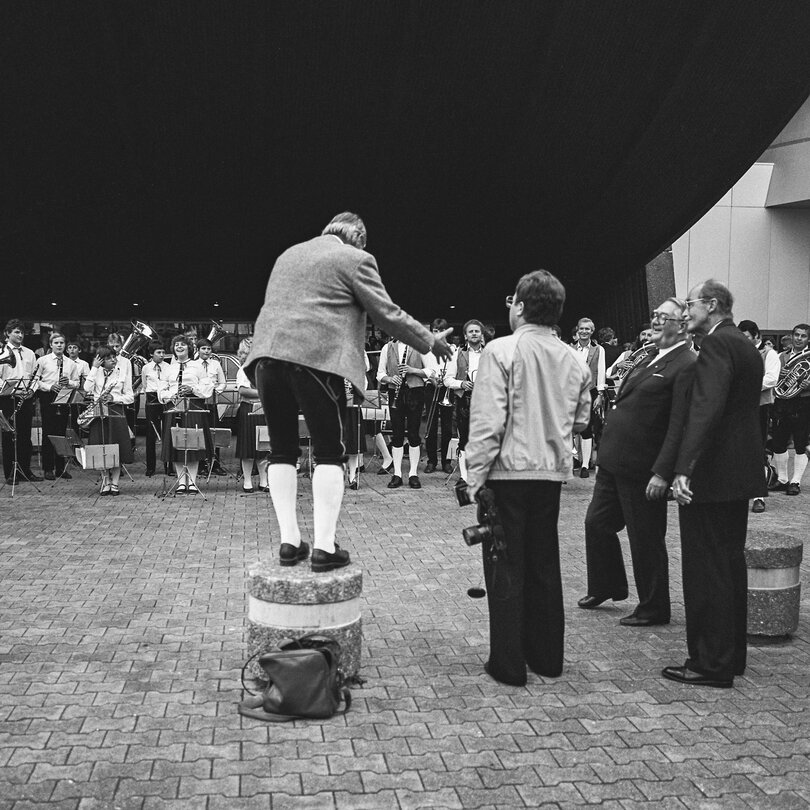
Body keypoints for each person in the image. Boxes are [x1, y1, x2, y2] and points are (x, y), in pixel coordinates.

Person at [244, 212, 453, 572]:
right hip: (317, 358)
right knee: (330, 451)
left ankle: (289, 542)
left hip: (265, 359)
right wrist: (429, 341)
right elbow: (386, 313)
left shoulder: (289, 254)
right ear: (357, 236)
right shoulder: (355, 258)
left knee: (282, 449)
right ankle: (324, 546)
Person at [465, 270, 591, 686]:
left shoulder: (501, 350)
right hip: (550, 473)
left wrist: (475, 476)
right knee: (543, 563)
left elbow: (487, 423)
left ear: (520, 306)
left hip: (506, 472)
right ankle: (547, 657)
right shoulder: (574, 358)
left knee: (505, 565)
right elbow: (582, 420)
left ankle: (508, 663)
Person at [666, 279, 763, 689]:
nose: (685, 312)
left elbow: (706, 409)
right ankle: (731, 655)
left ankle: (709, 663)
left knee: (706, 568)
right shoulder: (743, 343)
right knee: (728, 565)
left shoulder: (718, 345)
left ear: (711, 304)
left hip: (712, 473)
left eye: (690, 304)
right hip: (737, 473)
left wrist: (685, 467)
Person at [578, 298, 696, 627]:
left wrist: (664, 472)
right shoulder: (647, 355)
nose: (656, 322)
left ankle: (654, 607)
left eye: (665, 318)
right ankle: (606, 585)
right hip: (614, 462)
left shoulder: (686, 363)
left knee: (645, 538)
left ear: (682, 326)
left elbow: (679, 424)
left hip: (643, 468)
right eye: (655, 317)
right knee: (596, 524)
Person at [158, 335, 214, 494]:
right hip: (174, 407)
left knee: (192, 444)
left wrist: (192, 390)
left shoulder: (197, 367)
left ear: (189, 347)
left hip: (193, 407)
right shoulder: (169, 368)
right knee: (177, 445)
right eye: (176, 345)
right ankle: (182, 482)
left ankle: (193, 482)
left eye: (183, 344)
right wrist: (172, 394)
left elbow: (207, 389)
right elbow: (161, 391)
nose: (179, 347)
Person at [377, 336, 432, 489]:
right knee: (397, 434)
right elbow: (380, 373)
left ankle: (413, 473)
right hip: (396, 392)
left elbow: (431, 371)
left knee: (414, 433)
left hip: (416, 392)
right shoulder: (387, 347)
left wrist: (412, 370)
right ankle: (397, 474)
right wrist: (389, 379)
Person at [738, 320, 781, 512]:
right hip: (739, 408)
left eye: (747, 337)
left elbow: (771, 378)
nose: (743, 340)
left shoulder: (769, 353)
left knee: (758, 451)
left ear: (757, 336)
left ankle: (758, 497)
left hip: (760, 407)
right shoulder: (738, 353)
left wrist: (745, 385)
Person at [83, 347, 135, 495]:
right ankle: (105, 481)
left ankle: (115, 483)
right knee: (101, 448)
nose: (114, 360)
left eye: (114, 357)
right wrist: (94, 368)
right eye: (109, 358)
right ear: (101, 360)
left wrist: (115, 398)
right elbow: (87, 388)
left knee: (116, 447)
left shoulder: (121, 373)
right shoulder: (96, 372)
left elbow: (130, 397)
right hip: (98, 413)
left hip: (116, 412)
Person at [768, 323, 810, 496]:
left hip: (803, 402)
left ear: (808, 339)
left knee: (800, 443)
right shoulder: (781, 356)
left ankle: (796, 481)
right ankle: (783, 479)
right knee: (779, 441)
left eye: (803, 336)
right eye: (797, 335)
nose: (799, 338)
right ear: (792, 336)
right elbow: (773, 378)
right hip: (782, 403)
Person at [445, 319, 486, 485]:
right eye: (471, 331)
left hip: (485, 402)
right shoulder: (457, 354)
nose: (474, 334)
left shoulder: (489, 353)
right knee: (464, 440)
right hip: (465, 402)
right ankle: (464, 476)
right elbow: (447, 380)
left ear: (481, 334)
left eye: (477, 331)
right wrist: (461, 384)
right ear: (465, 335)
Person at [0, 319, 42, 483]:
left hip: (25, 398)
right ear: (7, 333)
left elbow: (36, 375)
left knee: (25, 436)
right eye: (16, 332)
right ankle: (10, 473)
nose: (20, 335)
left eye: (21, 332)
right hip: (6, 398)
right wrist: (7, 388)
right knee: (8, 435)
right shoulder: (2, 352)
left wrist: (32, 390)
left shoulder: (30, 353)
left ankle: (25, 470)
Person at [34, 332, 79, 480]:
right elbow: (35, 380)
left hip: (64, 396)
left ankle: (60, 468)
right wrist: (49, 386)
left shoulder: (71, 363)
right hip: (48, 396)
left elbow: (77, 382)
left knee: (61, 432)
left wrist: (69, 383)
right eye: (56, 343)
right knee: (48, 432)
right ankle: (48, 468)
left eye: (62, 343)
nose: (59, 345)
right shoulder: (42, 360)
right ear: (51, 345)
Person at [571, 317, 606, 478]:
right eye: (581, 328)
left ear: (592, 331)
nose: (584, 331)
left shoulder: (598, 349)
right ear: (577, 330)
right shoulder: (569, 348)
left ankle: (585, 465)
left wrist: (599, 394)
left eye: (587, 329)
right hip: (571, 392)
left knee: (586, 427)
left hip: (589, 391)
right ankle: (571, 460)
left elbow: (600, 371)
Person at [234, 339, 270, 494]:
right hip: (248, 408)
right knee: (248, 448)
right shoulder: (244, 370)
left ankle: (264, 481)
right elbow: (243, 391)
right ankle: (247, 481)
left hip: (265, 409)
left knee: (264, 447)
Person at [423, 318, 457, 475]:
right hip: (431, 387)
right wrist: (431, 378)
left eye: (438, 330)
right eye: (433, 330)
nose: (435, 333)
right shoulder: (426, 349)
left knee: (447, 428)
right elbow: (424, 368)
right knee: (430, 426)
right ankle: (431, 460)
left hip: (446, 389)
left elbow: (453, 369)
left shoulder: (453, 349)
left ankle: (446, 461)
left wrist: (445, 380)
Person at [196, 338, 227, 476]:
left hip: (212, 401)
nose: (206, 351)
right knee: (200, 433)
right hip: (199, 401)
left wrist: (216, 391)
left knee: (214, 432)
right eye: (203, 348)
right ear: (198, 350)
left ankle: (215, 464)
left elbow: (222, 382)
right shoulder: (193, 364)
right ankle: (202, 464)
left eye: (208, 349)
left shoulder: (215, 364)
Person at [140, 341, 167, 477]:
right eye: (158, 352)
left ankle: (169, 466)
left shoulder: (168, 367)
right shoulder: (146, 368)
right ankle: (151, 467)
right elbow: (145, 385)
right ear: (151, 354)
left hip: (165, 400)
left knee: (167, 433)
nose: (162, 355)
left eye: (163, 352)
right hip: (151, 401)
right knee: (151, 435)